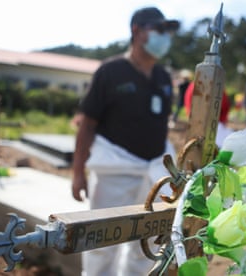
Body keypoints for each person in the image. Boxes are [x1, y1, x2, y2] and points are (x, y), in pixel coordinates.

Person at [71, 7, 180, 276]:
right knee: (101, 242)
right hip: (114, 171)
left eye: (167, 32)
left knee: (145, 243)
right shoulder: (111, 71)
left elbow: (161, 124)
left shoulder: (163, 78)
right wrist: (78, 173)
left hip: (152, 173)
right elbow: (87, 125)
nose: (164, 37)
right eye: (159, 30)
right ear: (137, 31)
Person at [184, 81, 233, 147]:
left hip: (212, 123)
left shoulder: (195, 84)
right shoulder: (216, 85)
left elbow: (225, 105)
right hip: (210, 124)